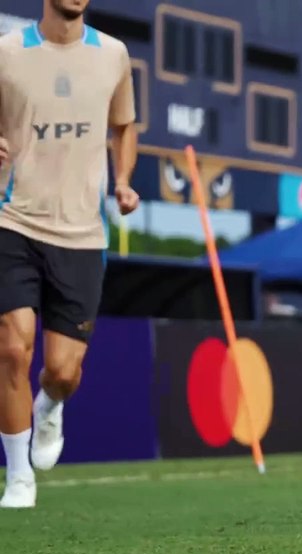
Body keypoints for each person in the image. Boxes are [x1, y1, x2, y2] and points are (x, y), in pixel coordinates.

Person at [0, 0, 138, 509]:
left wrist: (122, 182)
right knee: (13, 347)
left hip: (81, 234)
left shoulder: (114, 55)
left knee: (61, 371)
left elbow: (124, 126)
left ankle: (51, 405)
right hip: (11, 220)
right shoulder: (7, 54)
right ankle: (18, 477)